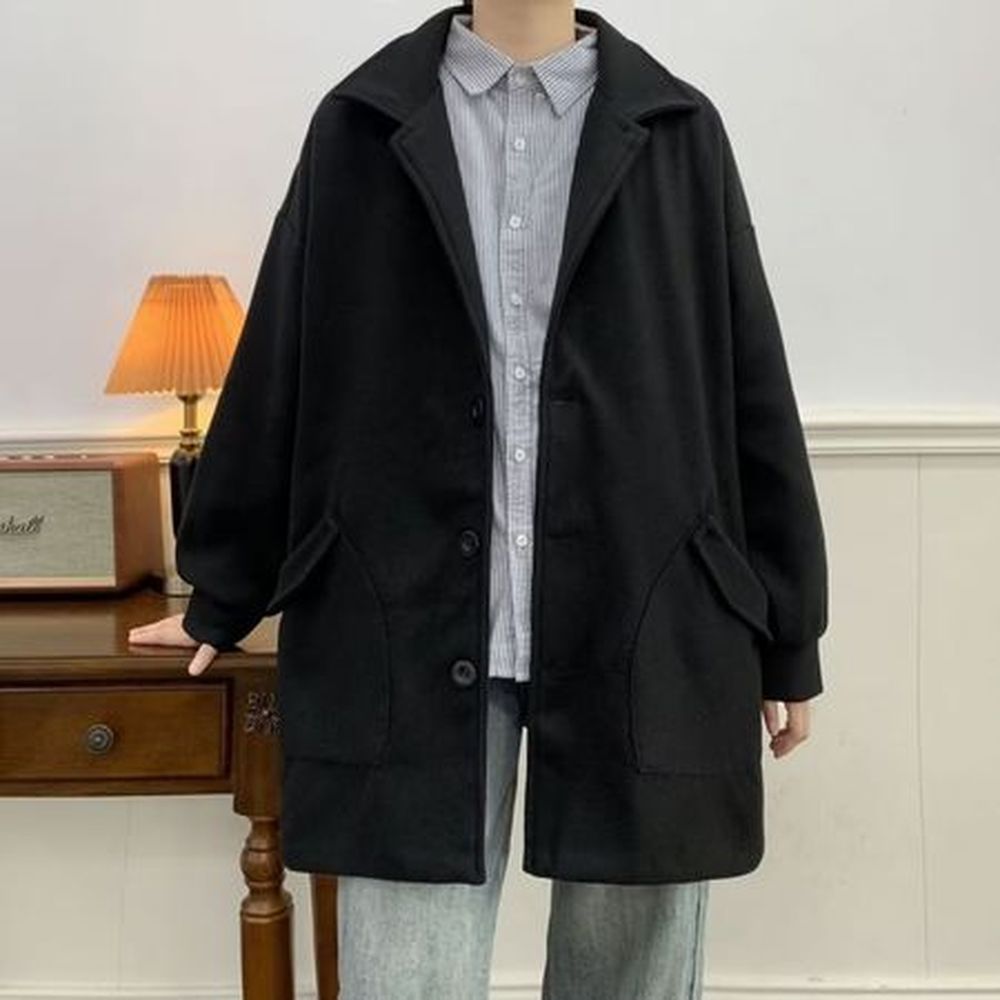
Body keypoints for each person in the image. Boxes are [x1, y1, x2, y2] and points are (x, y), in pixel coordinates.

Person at [130, 2, 828, 997]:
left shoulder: (677, 127)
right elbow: (284, 351)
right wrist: (223, 590)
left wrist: (787, 631)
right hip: (404, 620)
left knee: (632, 977)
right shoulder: (362, 121)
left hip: (647, 618)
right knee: (405, 977)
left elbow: (746, 377)